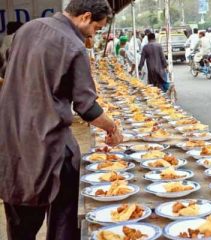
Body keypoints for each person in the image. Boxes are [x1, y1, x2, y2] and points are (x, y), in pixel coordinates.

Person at [0, 1, 124, 240]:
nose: (93, 35)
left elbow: (10, 71)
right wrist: (112, 128)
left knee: (20, 223)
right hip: (50, 146)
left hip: (12, 139)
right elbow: (87, 107)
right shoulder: (73, 45)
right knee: (63, 222)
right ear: (86, 17)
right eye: (96, 28)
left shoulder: (27, 29)